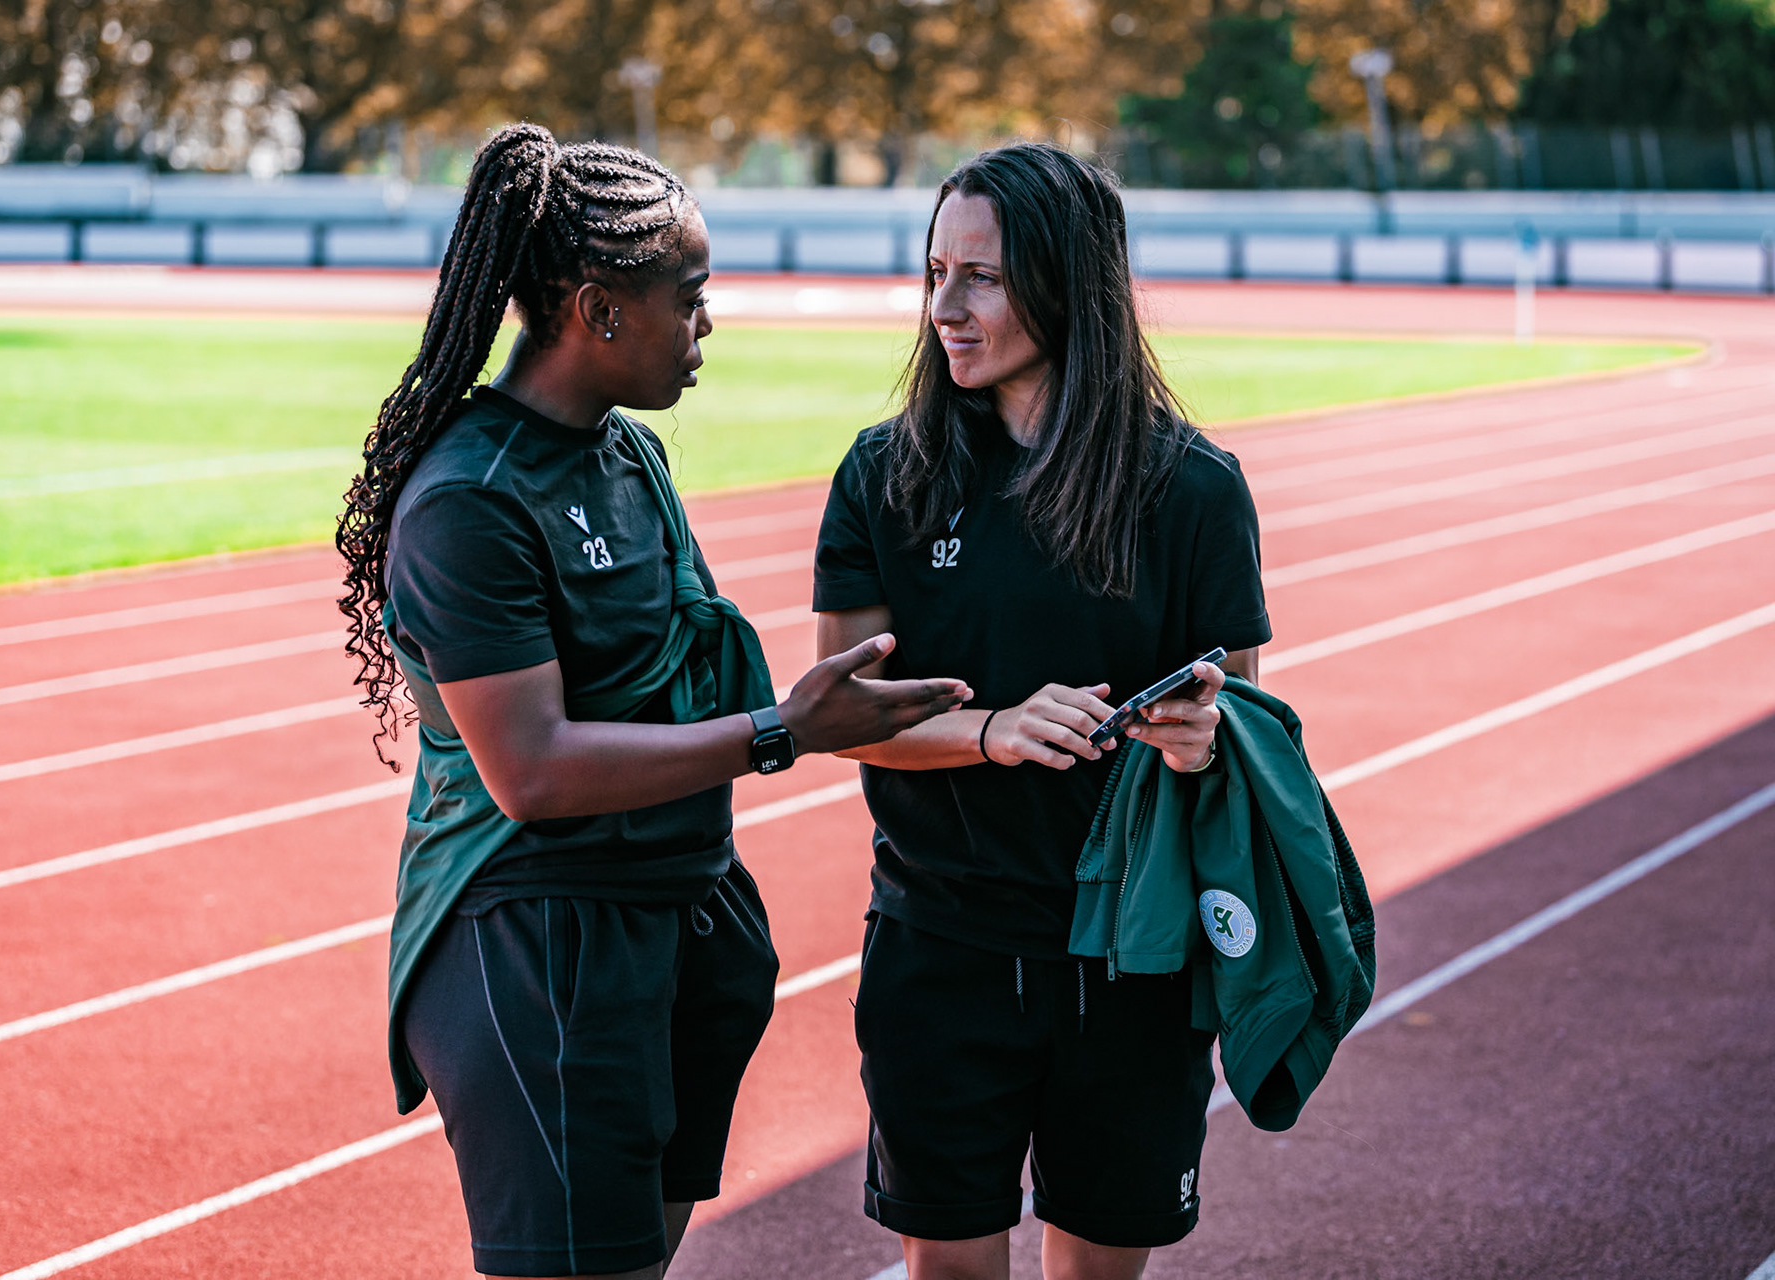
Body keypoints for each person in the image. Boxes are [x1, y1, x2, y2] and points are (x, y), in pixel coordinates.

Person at [335, 124, 971, 1280]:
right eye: (691, 295)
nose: (707, 322)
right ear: (598, 308)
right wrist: (784, 729)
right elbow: (530, 771)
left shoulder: (630, 454)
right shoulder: (468, 503)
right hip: (538, 941)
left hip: (671, 923)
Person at [812, 143, 1273, 1280]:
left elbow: (1249, 721)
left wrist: (1206, 734)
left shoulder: (1194, 488)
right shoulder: (885, 474)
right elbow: (838, 713)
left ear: (1072, 282)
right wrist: (993, 729)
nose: (946, 310)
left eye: (984, 277)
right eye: (935, 272)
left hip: (1135, 958)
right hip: (943, 943)